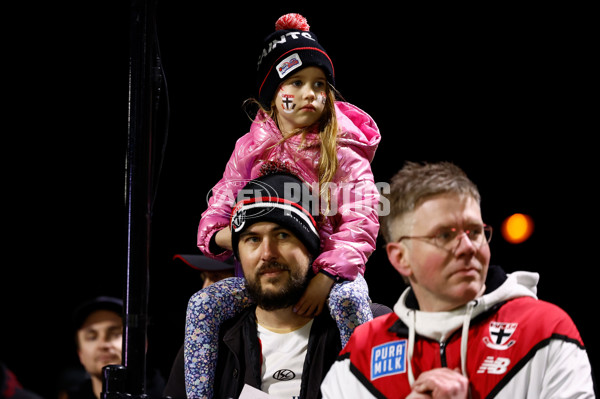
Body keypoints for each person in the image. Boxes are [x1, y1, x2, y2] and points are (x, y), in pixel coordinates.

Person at [195, 12, 381, 398]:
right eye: (296, 82)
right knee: (203, 304)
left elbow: (361, 223)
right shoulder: (249, 147)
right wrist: (229, 237)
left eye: (320, 84)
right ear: (273, 94)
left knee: (353, 300)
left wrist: (327, 277)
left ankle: (362, 390)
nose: (310, 93)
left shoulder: (344, 152)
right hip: (268, 275)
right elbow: (219, 206)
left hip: (327, 275)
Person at [321, 161, 596, 398]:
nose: (467, 247)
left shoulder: (544, 330)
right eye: (445, 235)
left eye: (475, 231)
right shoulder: (361, 354)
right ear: (400, 257)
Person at [185, 172, 390, 398]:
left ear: (311, 247)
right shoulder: (210, 339)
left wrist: (329, 275)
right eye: (252, 239)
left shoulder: (377, 327)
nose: (267, 253)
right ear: (238, 253)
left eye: (282, 235)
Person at [64, 296, 165, 399]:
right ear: (80, 354)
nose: (103, 344)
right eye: (92, 337)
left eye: (115, 333)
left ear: (143, 345)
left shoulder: (171, 391)